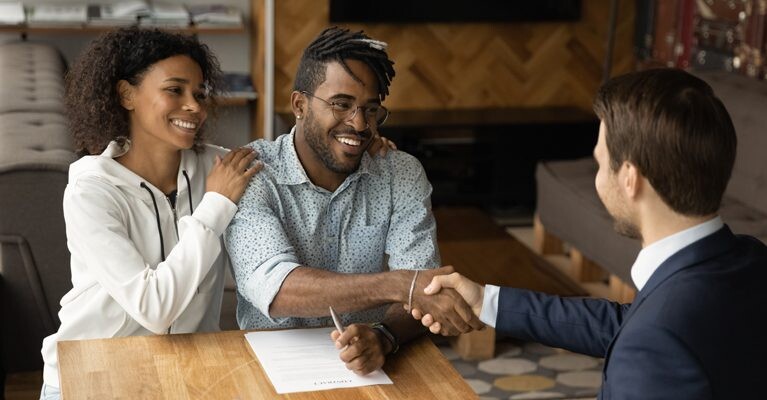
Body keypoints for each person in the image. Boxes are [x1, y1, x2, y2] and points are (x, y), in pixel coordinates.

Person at [413, 68, 767, 399]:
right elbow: (627, 324)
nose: (597, 176)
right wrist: (485, 301)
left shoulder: (653, 344)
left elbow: (648, 334)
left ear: (630, 178)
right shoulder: (750, 259)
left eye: (599, 163)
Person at [225, 27, 483, 375]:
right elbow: (277, 288)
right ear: (299, 105)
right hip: (273, 368)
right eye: (341, 104)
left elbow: (424, 292)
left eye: (371, 109)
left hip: (376, 368)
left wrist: (385, 336)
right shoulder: (252, 174)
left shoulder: (400, 173)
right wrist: (400, 285)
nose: (360, 124)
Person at [38, 27, 263, 400]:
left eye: (199, 93)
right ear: (127, 95)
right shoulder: (91, 189)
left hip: (185, 373)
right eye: (175, 90)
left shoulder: (218, 167)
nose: (194, 105)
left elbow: (291, 166)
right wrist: (216, 206)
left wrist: (366, 149)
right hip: (93, 375)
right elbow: (154, 308)